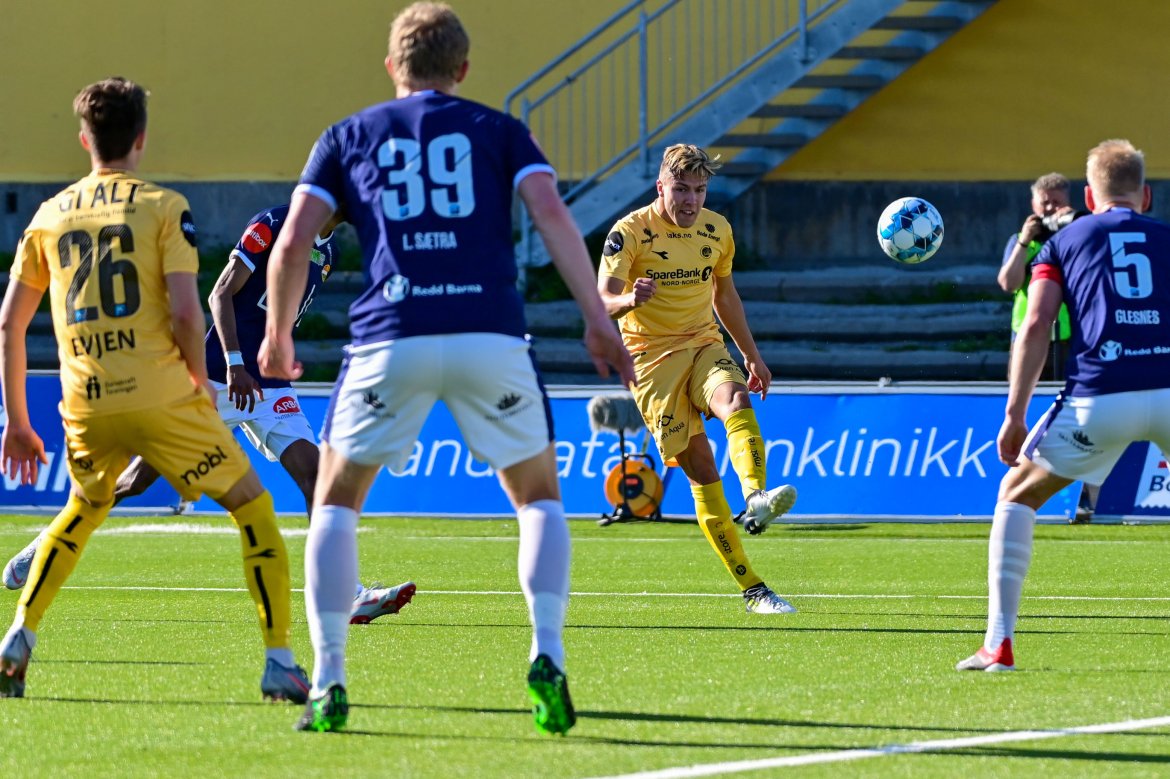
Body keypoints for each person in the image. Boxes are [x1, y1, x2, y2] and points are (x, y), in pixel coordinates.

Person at [258, 2, 634, 734]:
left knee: (335, 502)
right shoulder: (498, 129)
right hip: (488, 331)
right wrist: (596, 314)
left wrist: (275, 336)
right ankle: (548, 653)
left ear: (392, 66)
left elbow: (293, 240)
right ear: (462, 69)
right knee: (536, 498)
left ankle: (329, 677)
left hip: (388, 333)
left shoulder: (348, 134)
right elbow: (552, 213)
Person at [0, 78, 310, 702]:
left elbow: (10, 321)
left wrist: (16, 421)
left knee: (83, 511)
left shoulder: (48, 216)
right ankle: (279, 660)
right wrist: (198, 384)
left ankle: (17, 639)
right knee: (253, 506)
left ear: (84, 139)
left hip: (87, 398)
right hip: (162, 395)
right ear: (141, 138)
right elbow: (191, 316)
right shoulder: (164, 207)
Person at [1, 204, 416, 625]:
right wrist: (235, 363)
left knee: (317, 475)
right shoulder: (272, 224)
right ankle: (45, 545)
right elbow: (221, 293)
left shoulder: (328, 253)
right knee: (135, 481)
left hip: (269, 385)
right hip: (220, 378)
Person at [957, 138, 1170, 673]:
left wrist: (1013, 412)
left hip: (1100, 395)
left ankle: (998, 643)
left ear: (1091, 197)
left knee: (1016, 494)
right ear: (1145, 195)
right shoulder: (1166, 237)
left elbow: (1035, 325)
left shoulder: (1067, 241)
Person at [597, 143, 798, 615]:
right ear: (660, 187)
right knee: (703, 470)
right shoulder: (629, 233)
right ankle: (753, 589)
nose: (691, 201)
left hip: (704, 343)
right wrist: (629, 301)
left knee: (736, 401)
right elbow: (600, 298)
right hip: (650, 361)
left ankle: (756, 497)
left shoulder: (717, 229)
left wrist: (752, 356)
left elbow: (725, 296)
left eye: (700, 190)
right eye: (682, 189)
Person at [997, 173, 1098, 523]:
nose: (1052, 208)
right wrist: (1025, 241)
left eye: (1058, 201)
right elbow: (1008, 283)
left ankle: (1082, 498)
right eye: (1046, 203)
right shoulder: (1022, 240)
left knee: (1078, 417)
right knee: (1026, 408)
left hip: (1072, 337)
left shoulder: (1078, 236)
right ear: (1033, 206)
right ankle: (1024, 483)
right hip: (1028, 338)